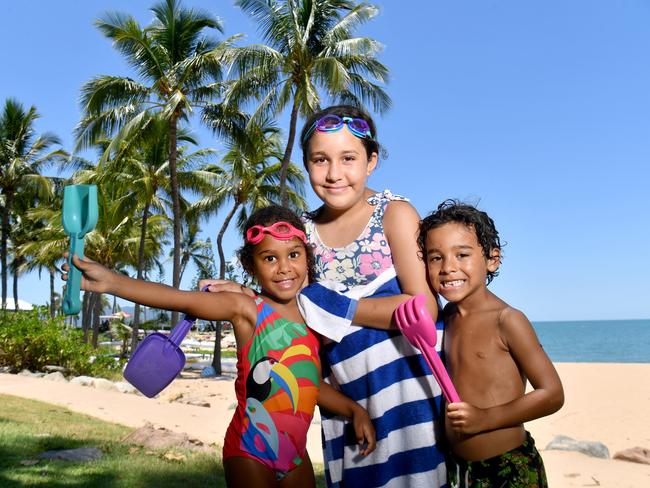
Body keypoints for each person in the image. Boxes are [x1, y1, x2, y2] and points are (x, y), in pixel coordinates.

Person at [203, 105, 448, 487]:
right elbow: (289, 300)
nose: (335, 173)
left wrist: (337, 307)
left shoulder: (394, 214)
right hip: (348, 398)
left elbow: (422, 307)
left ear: (371, 161)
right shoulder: (302, 232)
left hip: (407, 392)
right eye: (321, 160)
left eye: (348, 158)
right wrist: (247, 294)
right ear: (305, 164)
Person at [62, 205, 376, 488]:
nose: (284, 268)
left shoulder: (314, 320)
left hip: (295, 456)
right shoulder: (246, 308)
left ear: (307, 257)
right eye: (270, 258)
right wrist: (110, 282)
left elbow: (306, 384)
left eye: (293, 254)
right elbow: (179, 298)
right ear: (251, 267)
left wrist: (353, 409)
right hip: (249, 451)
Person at [417, 200, 564, 487]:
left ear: (492, 259)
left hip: (508, 466)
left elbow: (552, 393)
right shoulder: (446, 317)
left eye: (462, 254)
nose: (448, 267)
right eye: (436, 258)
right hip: (458, 469)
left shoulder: (507, 320)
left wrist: (485, 418)